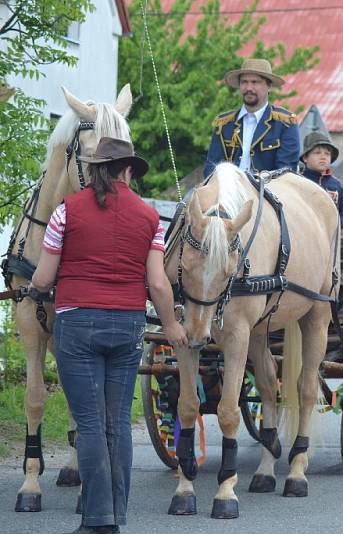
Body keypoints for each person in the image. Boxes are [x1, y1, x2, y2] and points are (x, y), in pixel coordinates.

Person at [30, 137, 187, 534]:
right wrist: (170, 325)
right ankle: (117, 515)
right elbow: (158, 283)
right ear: (129, 171)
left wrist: (36, 287)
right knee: (116, 421)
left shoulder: (66, 211)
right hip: (128, 324)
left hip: (77, 323)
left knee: (89, 422)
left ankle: (97, 520)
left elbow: (45, 277)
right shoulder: (149, 216)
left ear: (94, 168)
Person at [204, 58, 300, 178]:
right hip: (228, 191)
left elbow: (285, 172)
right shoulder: (224, 124)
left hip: (267, 193)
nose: (249, 88)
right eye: (244, 82)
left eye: (255, 82)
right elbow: (211, 167)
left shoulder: (285, 123)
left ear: (269, 86)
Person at [300, 131, 343, 229]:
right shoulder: (297, 182)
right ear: (305, 157)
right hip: (301, 232)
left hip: (331, 236)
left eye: (327, 154)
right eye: (317, 153)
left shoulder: (338, 186)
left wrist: (335, 227)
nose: (323, 157)